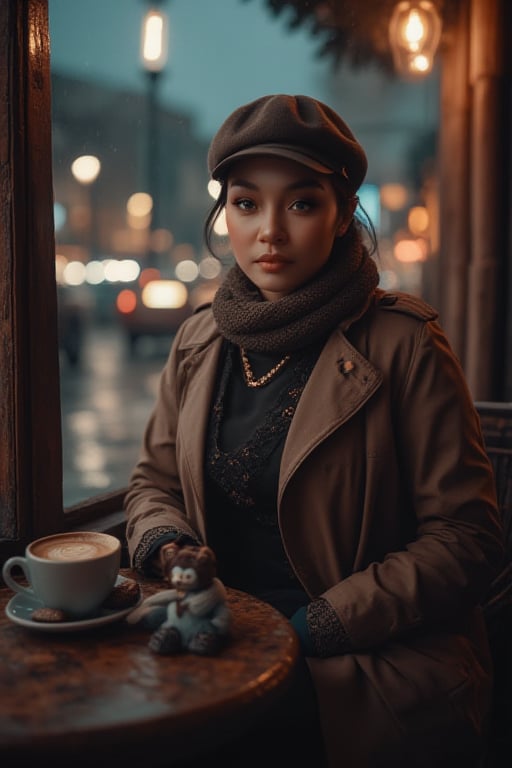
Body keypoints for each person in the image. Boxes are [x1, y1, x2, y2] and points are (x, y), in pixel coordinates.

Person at [124, 94, 504, 767]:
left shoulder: (406, 345)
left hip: (356, 668)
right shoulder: (198, 340)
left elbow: (466, 540)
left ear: (339, 215)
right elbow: (153, 479)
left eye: (300, 203)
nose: (269, 230)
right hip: (212, 638)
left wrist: (318, 625)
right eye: (246, 203)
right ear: (225, 214)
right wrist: (170, 548)